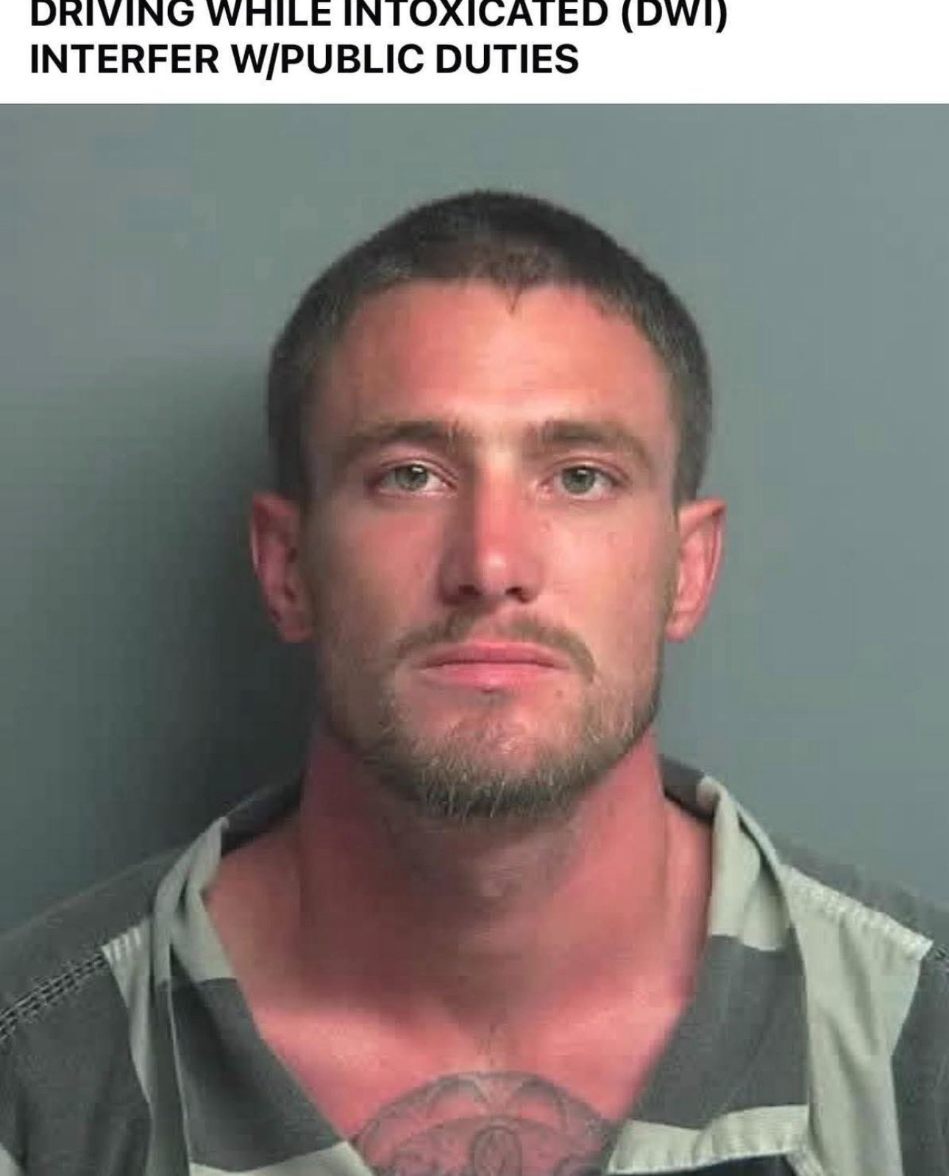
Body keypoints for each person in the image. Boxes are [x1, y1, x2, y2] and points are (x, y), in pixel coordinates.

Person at [1, 191, 947, 1176]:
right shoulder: (32, 1081)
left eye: (578, 477)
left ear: (688, 568)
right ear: (287, 568)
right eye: (410, 475)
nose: (490, 564)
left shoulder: (922, 1052)